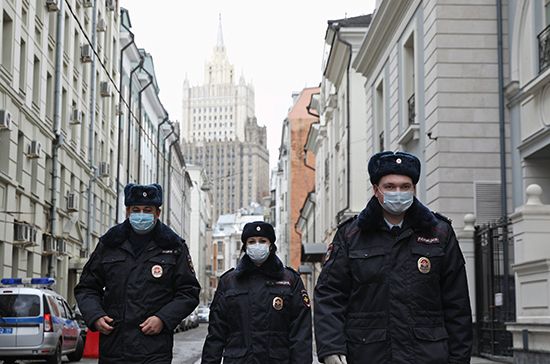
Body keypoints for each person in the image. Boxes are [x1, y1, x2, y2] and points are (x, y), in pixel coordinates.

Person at [314, 151, 473, 364]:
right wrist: (331, 347)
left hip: (427, 355)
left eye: (404, 187)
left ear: (413, 189)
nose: (398, 193)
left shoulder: (439, 233)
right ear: (376, 190)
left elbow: (457, 303)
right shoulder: (351, 235)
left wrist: (459, 358)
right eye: (390, 187)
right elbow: (330, 295)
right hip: (367, 354)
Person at [74, 183, 200, 363]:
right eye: (136, 209)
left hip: (153, 350)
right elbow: (86, 287)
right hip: (114, 348)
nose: (141, 214)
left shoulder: (173, 247)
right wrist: (96, 316)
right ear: (128, 212)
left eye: (147, 210)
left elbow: (189, 292)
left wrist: (163, 319)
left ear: (157, 213)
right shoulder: (109, 244)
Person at [201, 221, 312, 364]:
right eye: (252, 241)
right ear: (245, 247)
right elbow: (216, 334)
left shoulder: (290, 280)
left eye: (262, 241)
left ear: (271, 245)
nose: (257, 245)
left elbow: (301, 333)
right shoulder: (229, 282)